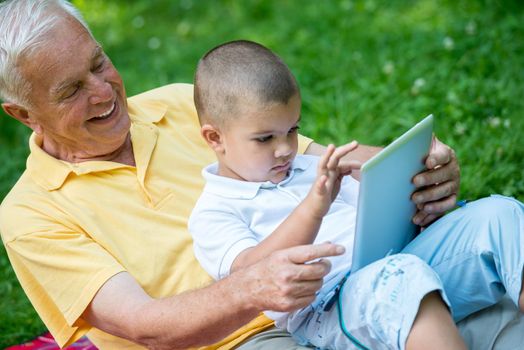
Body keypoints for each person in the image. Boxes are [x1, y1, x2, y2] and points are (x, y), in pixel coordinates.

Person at [0, 1, 462, 349]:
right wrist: (250, 288)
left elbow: (318, 159)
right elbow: (141, 325)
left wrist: (417, 164)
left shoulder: (182, 104)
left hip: (328, 290)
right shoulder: (30, 214)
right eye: (72, 90)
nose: (104, 92)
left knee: (493, 247)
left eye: (99, 63)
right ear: (23, 113)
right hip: (235, 343)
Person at [189, 40, 524, 350]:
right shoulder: (215, 212)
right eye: (265, 139)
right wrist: (313, 209)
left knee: (499, 215)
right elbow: (253, 271)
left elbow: (375, 218)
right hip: (331, 307)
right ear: (215, 138)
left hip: (394, 262)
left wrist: (412, 202)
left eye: (292, 130)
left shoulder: (309, 167)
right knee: (402, 276)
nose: (284, 149)